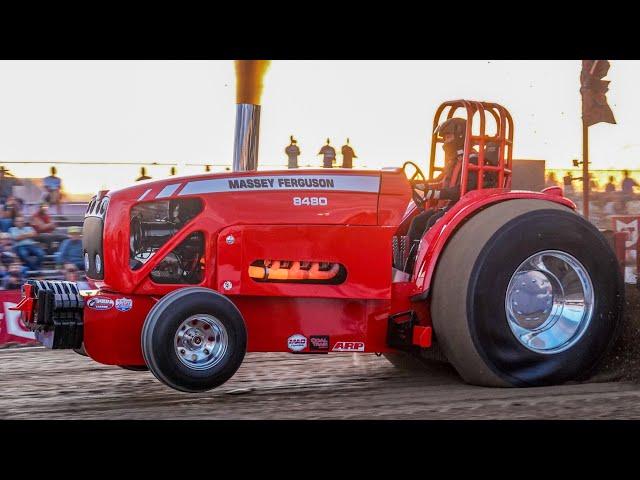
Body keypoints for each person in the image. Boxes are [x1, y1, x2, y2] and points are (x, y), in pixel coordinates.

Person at [407, 117, 488, 244]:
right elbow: (443, 182)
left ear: (460, 136)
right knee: (417, 221)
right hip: (447, 206)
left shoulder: (472, 160)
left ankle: (421, 259)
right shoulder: (455, 160)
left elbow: (463, 190)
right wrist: (423, 186)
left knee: (432, 222)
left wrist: (433, 193)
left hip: (460, 208)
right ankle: (407, 258)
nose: (445, 142)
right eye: (444, 138)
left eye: (448, 137)